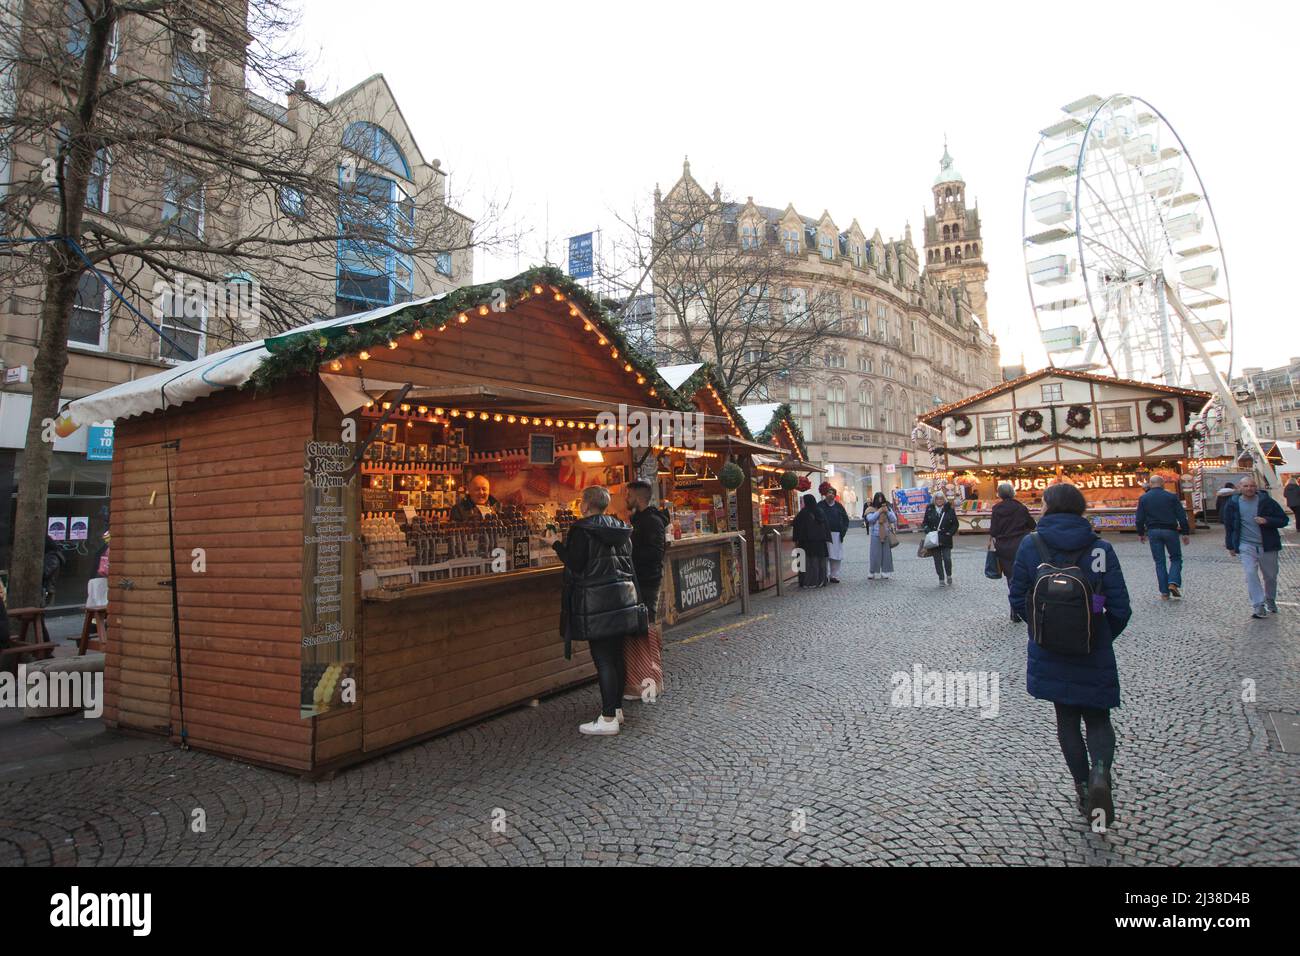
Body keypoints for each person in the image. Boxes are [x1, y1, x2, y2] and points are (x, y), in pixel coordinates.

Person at [1009, 482, 1132, 827]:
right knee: (1098, 718)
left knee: (1066, 722)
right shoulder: (1100, 547)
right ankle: (1100, 775)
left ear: (1048, 507)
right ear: (1080, 508)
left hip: (1050, 647)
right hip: (1093, 647)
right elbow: (1119, 606)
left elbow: (1018, 598)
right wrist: (1098, 631)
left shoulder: (1031, 546)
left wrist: (1043, 628)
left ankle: (1082, 789)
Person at [546, 486, 645, 736]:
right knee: (616, 656)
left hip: (597, 604)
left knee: (603, 660)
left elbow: (577, 564)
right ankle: (617, 709)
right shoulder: (620, 528)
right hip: (622, 600)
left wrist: (556, 543)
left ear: (585, 505)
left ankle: (608, 717)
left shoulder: (582, 530)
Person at [623, 480, 668, 702]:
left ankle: (650, 680)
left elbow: (653, 553)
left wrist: (628, 553)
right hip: (641, 580)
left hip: (647, 581)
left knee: (646, 627)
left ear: (638, 497)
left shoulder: (651, 521)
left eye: (628, 494)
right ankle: (642, 679)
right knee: (642, 627)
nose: (625, 498)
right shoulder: (641, 520)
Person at [1221, 474, 1290, 618]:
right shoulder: (1233, 503)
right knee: (1251, 574)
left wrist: (1267, 520)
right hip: (1246, 545)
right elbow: (1229, 526)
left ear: (1256, 487)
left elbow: (1283, 520)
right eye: (1245, 486)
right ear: (1240, 488)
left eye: (1251, 486)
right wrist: (1230, 545)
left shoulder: (1267, 502)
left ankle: (1270, 599)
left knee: (1270, 576)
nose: (1249, 488)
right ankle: (1258, 605)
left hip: (1268, 544)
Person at [1134, 474, 1191, 600]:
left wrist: (1141, 533)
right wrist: (1185, 532)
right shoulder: (1171, 497)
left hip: (1153, 531)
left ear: (1150, 483)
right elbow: (1181, 516)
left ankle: (1164, 593)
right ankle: (1173, 582)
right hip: (1170, 530)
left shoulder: (1144, 498)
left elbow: (1139, 518)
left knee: (1159, 562)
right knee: (1176, 558)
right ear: (1163, 483)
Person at [988, 482, 1036, 620]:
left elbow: (994, 530)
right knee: (1022, 575)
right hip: (1020, 544)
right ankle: (1022, 608)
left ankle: (1014, 610)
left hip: (1003, 546)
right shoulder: (1020, 507)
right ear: (1012, 492)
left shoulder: (996, 509)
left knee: (1010, 577)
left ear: (999, 493)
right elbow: (1031, 524)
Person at [792, 493, 831, 588]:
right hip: (820, 543)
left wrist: (796, 539)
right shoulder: (820, 511)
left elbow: (796, 525)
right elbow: (826, 526)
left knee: (807, 562)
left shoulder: (803, 513)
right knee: (820, 561)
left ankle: (808, 582)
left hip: (806, 543)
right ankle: (820, 580)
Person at [920, 491, 958, 586]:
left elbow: (955, 524)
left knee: (947, 558)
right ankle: (941, 578)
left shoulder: (949, 509)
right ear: (934, 499)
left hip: (946, 537)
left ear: (944, 499)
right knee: (937, 560)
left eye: (941, 498)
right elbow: (924, 523)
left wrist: (950, 533)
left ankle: (949, 575)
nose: (939, 500)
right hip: (934, 539)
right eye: (937, 498)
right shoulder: (930, 509)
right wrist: (928, 531)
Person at [817, 484, 851, 584]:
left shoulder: (839, 506)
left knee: (836, 556)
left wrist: (843, 531)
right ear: (825, 494)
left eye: (832, 493)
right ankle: (825, 575)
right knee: (825, 555)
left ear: (835, 495)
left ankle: (834, 575)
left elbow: (845, 520)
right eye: (829, 493)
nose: (830, 495)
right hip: (824, 535)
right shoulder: (820, 505)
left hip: (836, 535)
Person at [866, 492, 897, 580]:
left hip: (886, 533)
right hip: (875, 534)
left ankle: (885, 571)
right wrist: (879, 512)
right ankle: (872, 571)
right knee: (874, 554)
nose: (880, 500)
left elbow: (894, 519)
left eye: (881, 498)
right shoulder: (870, 509)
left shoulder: (888, 508)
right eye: (878, 498)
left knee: (886, 554)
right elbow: (870, 519)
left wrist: (887, 512)